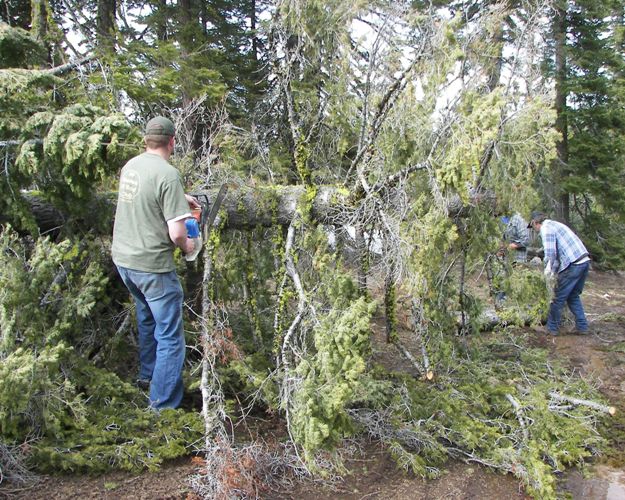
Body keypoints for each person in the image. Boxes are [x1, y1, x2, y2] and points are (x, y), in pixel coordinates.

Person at [112, 116, 200, 409]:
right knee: (171, 337)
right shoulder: (168, 174)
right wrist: (190, 245)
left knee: (147, 318)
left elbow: (144, 199)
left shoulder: (132, 166)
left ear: (147, 140)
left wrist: (178, 198)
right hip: (152, 267)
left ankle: (147, 377)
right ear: (172, 141)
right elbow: (176, 233)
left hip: (125, 261)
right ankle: (162, 407)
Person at [528, 211, 591, 336]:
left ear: (535, 222)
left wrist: (548, 271)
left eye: (533, 227)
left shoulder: (546, 228)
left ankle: (551, 328)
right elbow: (557, 257)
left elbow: (551, 254)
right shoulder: (554, 225)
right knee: (573, 296)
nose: (534, 230)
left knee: (557, 297)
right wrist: (554, 271)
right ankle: (582, 326)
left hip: (574, 263)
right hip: (584, 261)